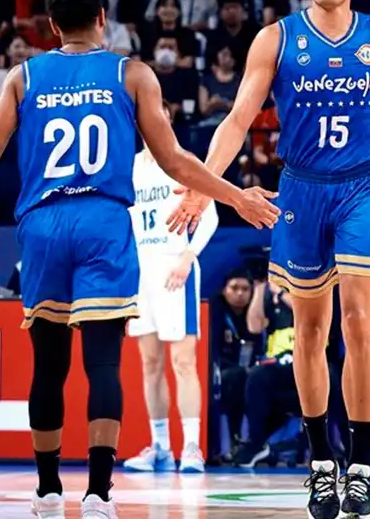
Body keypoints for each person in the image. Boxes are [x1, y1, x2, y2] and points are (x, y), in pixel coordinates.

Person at [0, 0, 278, 519]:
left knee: (49, 365)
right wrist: (235, 196)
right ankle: (100, 494)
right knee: (103, 362)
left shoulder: (22, 76)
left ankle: (48, 489)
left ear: (51, 26)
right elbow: (174, 160)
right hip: (103, 221)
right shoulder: (132, 74)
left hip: (43, 223)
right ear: (103, 18)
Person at [167, 0, 370, 519]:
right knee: (309, 331)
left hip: (364, 186)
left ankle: (361, 467)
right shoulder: (276, 38)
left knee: (358, 319)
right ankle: (321, 463)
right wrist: (203, 184)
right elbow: (237, 118)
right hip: (300, 188)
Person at [124, 104, 218, 474]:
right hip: (141, 272)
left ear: (168, 120)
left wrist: (188, 257)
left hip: (175, 266)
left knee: (183, 361)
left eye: (160, 117)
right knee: (150, 363)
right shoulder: (129, 167)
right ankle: (160, 446)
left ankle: (192, 446)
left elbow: (209, 214)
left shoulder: (183, 161)